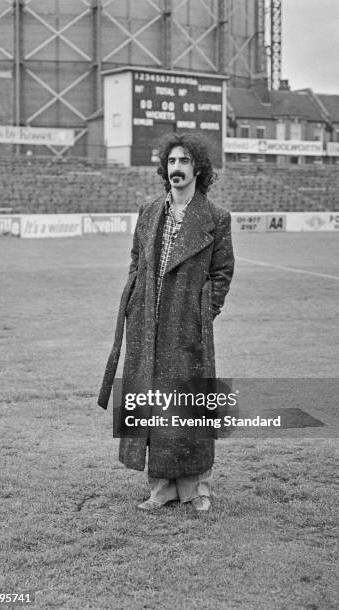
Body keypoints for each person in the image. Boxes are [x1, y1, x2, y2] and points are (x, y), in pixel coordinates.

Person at [98, 132, 235, 511]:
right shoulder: (149, 212)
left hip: (187, 328)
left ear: (198, 169)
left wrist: (202, 313)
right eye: (172, 162)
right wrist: (135, 303)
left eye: (184, 162)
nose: (176, 168)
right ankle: (161, 487)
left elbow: (222, 273)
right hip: (147, 326)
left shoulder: (216, 219)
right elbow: (135, 261)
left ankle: (194, 486)